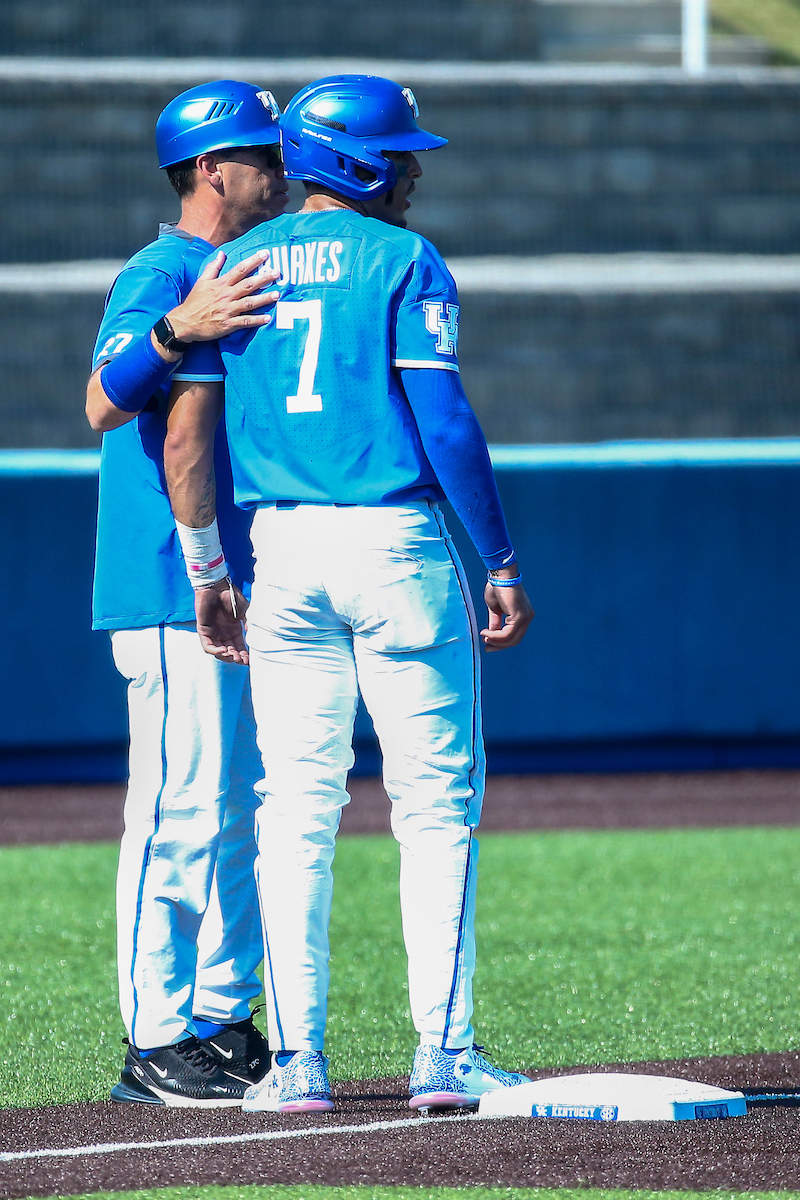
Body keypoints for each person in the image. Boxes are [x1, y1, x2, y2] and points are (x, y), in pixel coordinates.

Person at [163, 74, 535, 1115]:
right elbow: (445, 422)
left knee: (294, 814)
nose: (412, 169)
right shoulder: (403, 258)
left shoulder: (232, 262)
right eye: (399, 152)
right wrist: (498, 558)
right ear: (355, 161)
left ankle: (297, 1064)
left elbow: (189, 431)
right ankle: (443, 1057)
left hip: (279, 552)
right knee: (435, 809)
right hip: (394, 543)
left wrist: (211, 570)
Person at [86, 79, 289, 1107]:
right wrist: (175, 326)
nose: (281, 165)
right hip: (172, 587)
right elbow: (100, 399)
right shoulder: (161, 271)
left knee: (232, 813)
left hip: (230, 587)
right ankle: (152, 1039)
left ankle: (216, 1018)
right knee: (178, 810)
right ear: (213, 169)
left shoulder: (236, 268)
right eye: (262, 150)